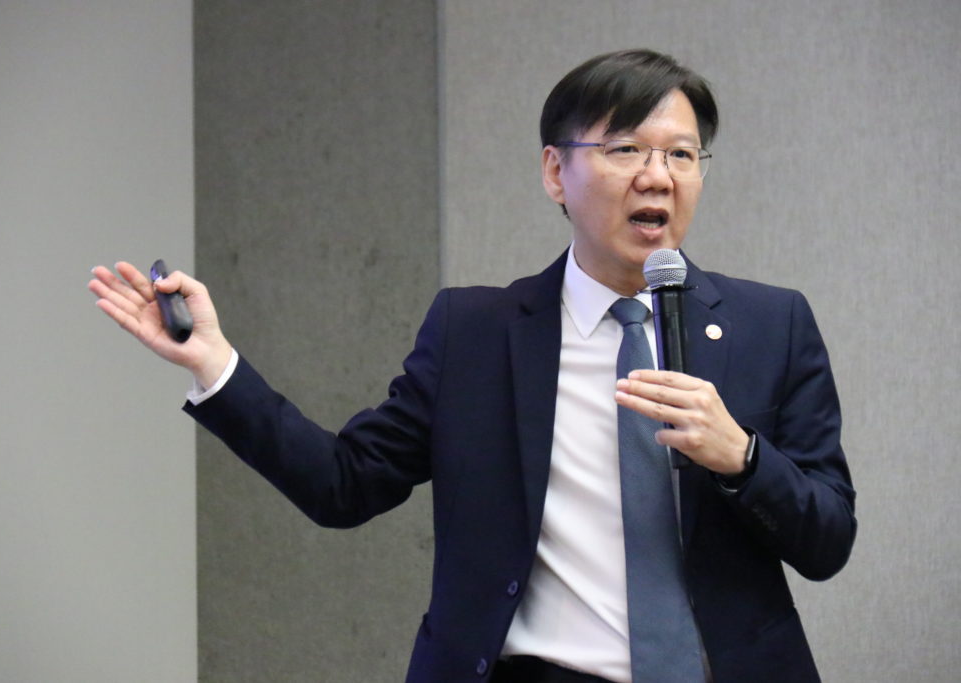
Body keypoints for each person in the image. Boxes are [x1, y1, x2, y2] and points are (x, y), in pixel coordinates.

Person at [89, 49, 855, 682]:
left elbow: (828, 540)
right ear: (555, 172)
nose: (658, 176)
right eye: (625, 149)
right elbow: (343, 483)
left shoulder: (771, 324)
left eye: (681, 155)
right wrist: (216, 364)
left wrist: (742, 456)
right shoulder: (476, 335)